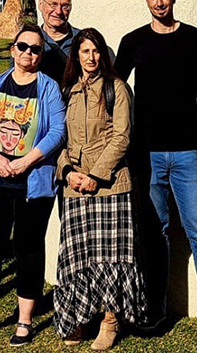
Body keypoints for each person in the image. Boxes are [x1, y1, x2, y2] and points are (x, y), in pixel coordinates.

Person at [115, 0, 197, 338]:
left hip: (187, 152)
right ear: (145, 1)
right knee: (154, 232)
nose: (159, 2)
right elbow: (114, 91)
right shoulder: (133, 42)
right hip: (146, 155)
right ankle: (154, 310)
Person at [0, 26, 66, 346]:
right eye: (23, 47)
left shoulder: (48, 88)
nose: (29, 53)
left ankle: (24, 321)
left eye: (36, 49)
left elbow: (58, 131)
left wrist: (26, 161)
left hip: (33, 185)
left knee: (29, 250)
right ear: (12, 49)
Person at [53, 28, 147, 351]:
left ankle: (110, 320)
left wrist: (95, 174)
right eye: (84, 52)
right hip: (74, 186)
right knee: (79, 254)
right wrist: (67, 172)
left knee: (111, 255)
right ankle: (79, 314)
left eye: (96, 51)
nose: (91, 58)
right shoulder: (67, 91)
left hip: (110, 185)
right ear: (76, 56)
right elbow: (59, 137)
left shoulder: (116, 88)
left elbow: (122, 136)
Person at [37, 0, 80, 81]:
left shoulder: (83, 41)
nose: (58, 11)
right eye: (53, 4)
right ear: (40, 5)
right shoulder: (28, 43)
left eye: (65, 6)